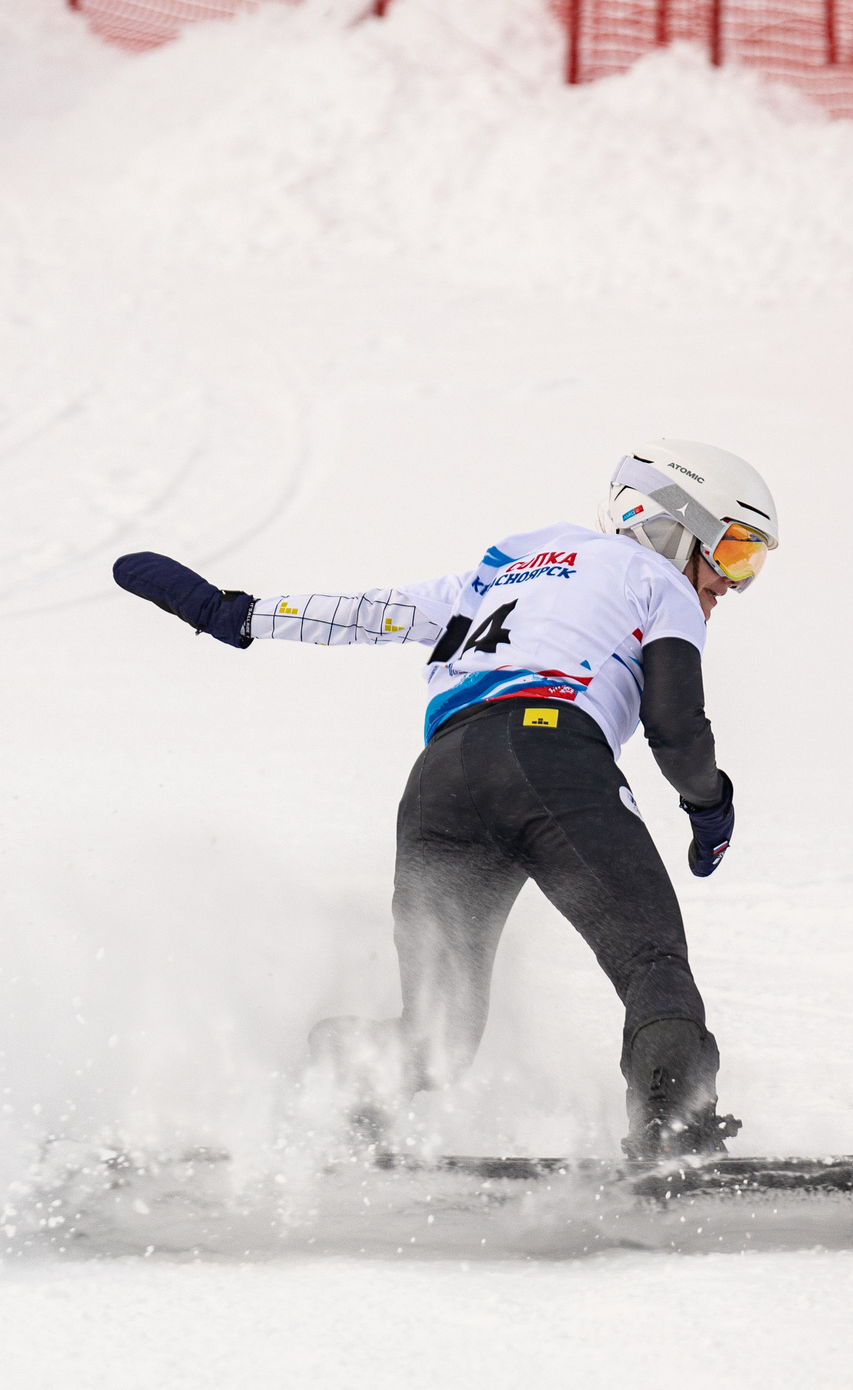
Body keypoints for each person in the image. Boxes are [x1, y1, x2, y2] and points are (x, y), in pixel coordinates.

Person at [110, 440, 778, 1162]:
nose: (732, 585)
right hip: (551, 760)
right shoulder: (659, 580)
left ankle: (342, 1097)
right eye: (735, 552)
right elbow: (676, 730)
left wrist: (233, 613)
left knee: (439, 1035)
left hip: (441, 784)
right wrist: (710, 807)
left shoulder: (498, 575)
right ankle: (677, 1138)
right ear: (671, 524)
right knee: (651, 962)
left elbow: (363, 614)